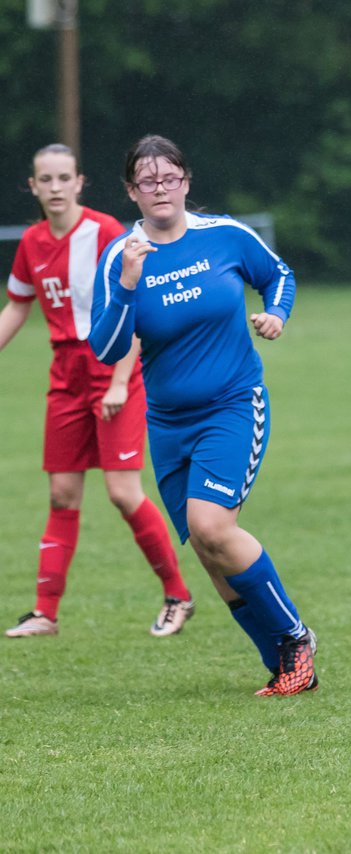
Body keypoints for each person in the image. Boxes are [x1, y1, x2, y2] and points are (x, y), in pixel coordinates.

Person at [88, 135, 316, 696]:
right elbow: (108, 350)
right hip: (168, 424)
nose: (159, 188)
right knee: (210, 551)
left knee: (214, 526)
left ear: (186, 181)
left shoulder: (226, 236)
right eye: (147, 180)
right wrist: (125, 290)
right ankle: (284, 666)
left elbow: (278, 274)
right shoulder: (121, 258)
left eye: (169, 177)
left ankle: (296, 638)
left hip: (234, 405)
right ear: (131, 192)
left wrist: (276, 314)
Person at [3, 143, 194, 639]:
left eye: (64, 178)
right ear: (33, 186)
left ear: (80, 182)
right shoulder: (31, 242)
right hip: (65, 379)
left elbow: (136, 308)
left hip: (113, 370)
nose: (55, 187)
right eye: (45, 179)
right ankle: (45, 613)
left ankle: (178, 594)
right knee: (63, 495)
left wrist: (117, 380)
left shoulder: (108, 232)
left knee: (122, 492)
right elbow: (17, 307)